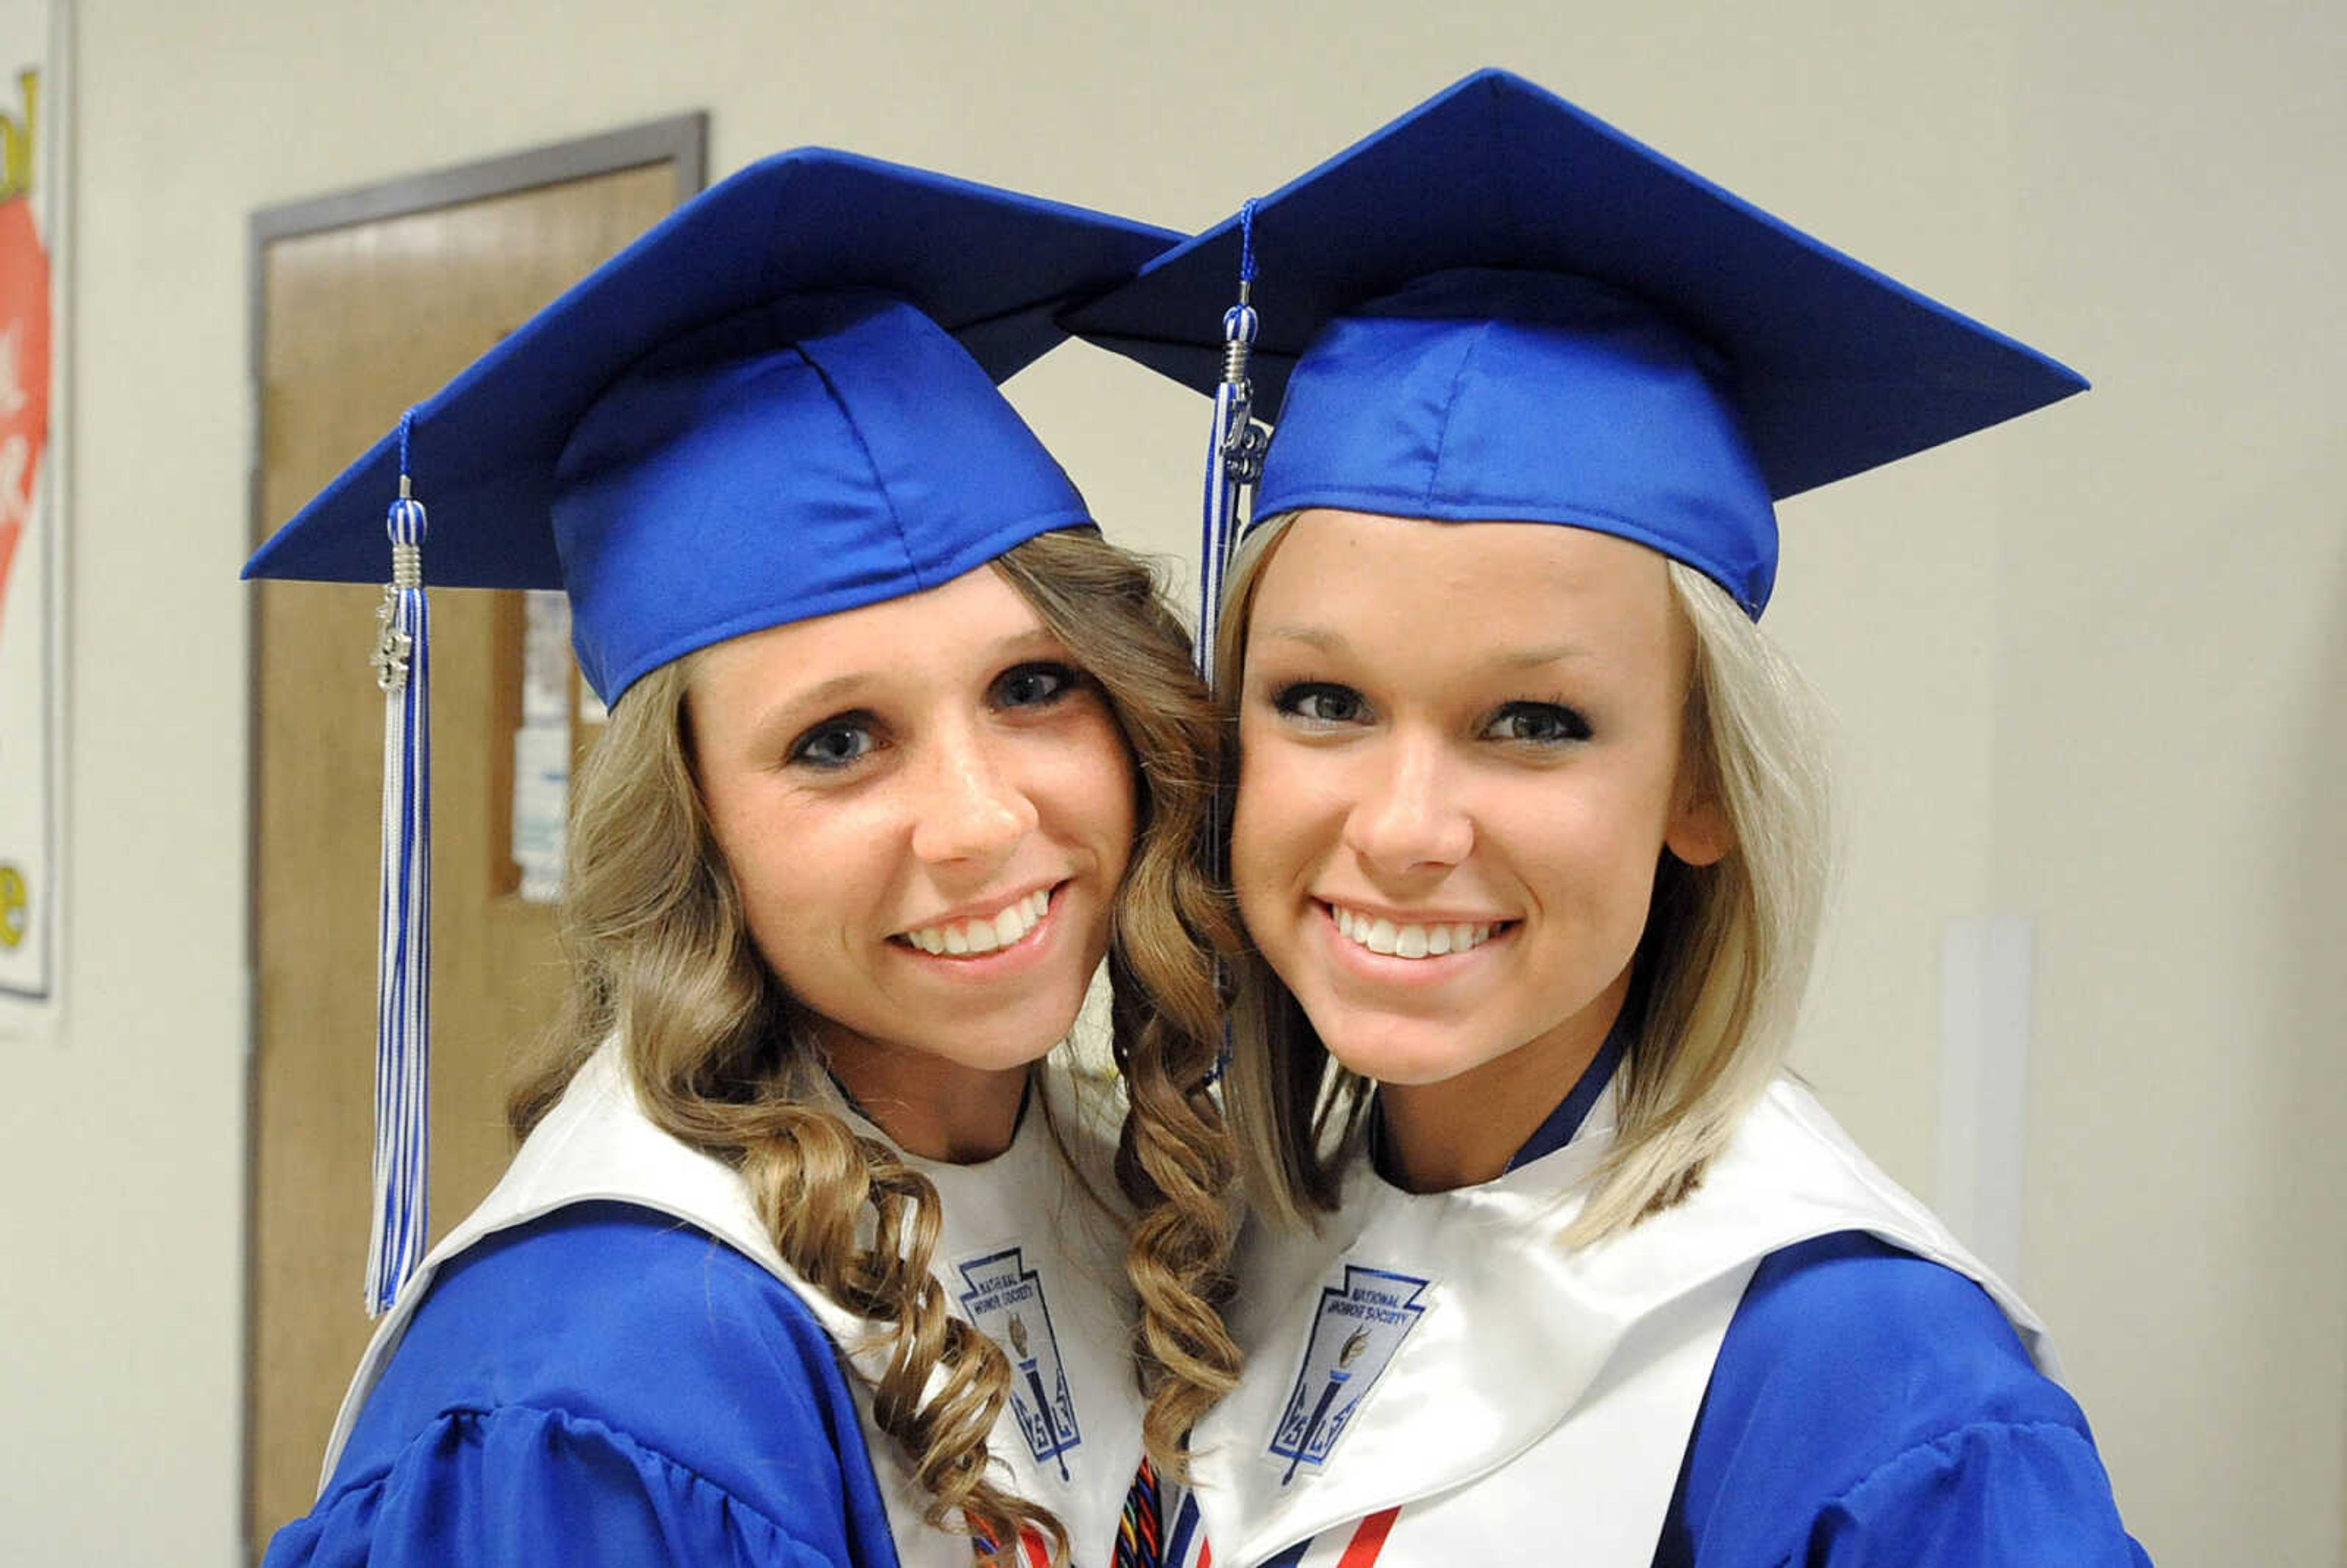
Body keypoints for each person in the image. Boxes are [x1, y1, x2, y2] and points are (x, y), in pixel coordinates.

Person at [1069, 70, 2151, 1565]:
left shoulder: (1866, 1387)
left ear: (1702, 784)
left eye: (1536, 724)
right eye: (1322, 700)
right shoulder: (1226, 1244)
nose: (1404, 826)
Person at [248, 148, 1240, 1567]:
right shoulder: (615, 1374)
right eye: (839, 740)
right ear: (691, 824)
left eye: (1033, 687)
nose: (978, 819)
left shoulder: (1097, 1170)